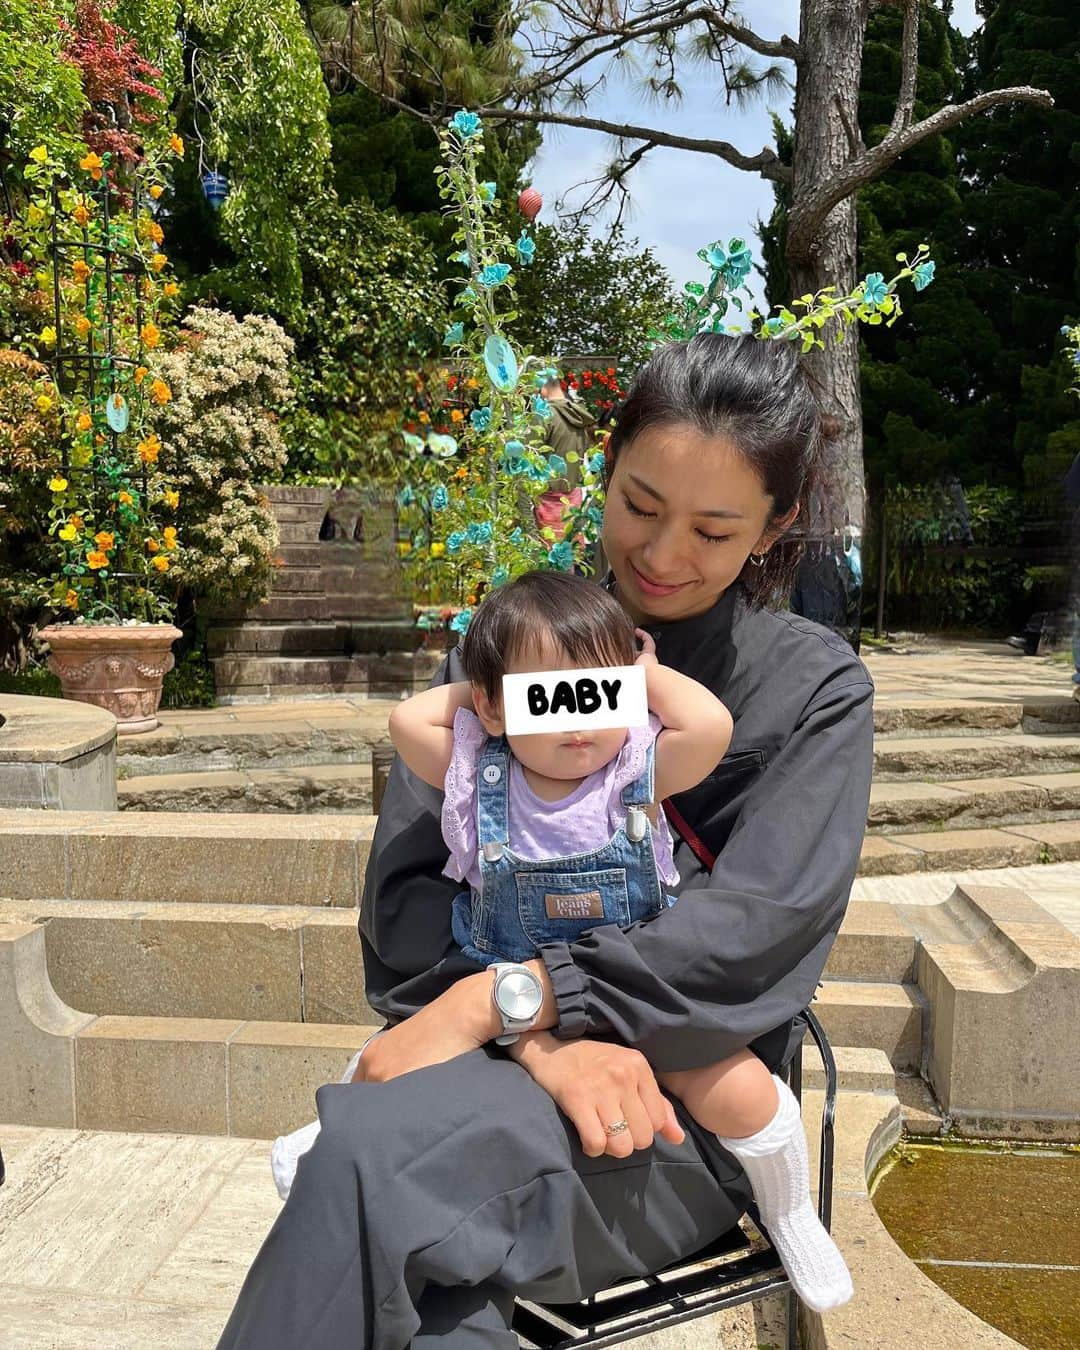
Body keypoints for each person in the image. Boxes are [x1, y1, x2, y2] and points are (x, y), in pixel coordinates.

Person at [215, 334, 874, 1350]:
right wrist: (541, 1041)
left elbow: (750, 937)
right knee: (431, 1303)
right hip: (504, 1071)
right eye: (640, 506)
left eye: (711, 529)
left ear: (777, 525)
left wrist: (515, 996)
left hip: (682, 1110)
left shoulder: (815, 692)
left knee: (363, 1162)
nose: (659, 556)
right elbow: (408, 915)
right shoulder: (504, 649)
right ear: (602, 472)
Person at [268, 570, 853, 1312]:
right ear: (496, 706)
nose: (579, 718)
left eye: (595, 690)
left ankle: (791, 1211)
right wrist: (488, 693)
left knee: (748, 1096)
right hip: (506, 986)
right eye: (548, 695)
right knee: (397, 1057)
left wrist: (645, 678)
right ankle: (327, 1142)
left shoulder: (634, 772)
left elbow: (710, 729)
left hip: (633, 993)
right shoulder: (477, 779)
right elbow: (406, 722)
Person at [533, 375, 596, 543]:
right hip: (572, 496)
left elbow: (529, 453)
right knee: (568, 554)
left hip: (548, 498)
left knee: (547, 560)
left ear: (543, 390)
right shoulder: (578, 415)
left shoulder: (546, 415)